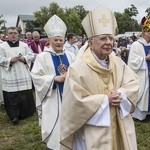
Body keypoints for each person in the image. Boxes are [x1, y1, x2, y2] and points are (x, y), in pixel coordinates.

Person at [60, 5, 139, 150]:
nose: (109, 42)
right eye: (103, 38)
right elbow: (74, 103)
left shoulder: (117, 62)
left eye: (111, 38)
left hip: (119, 123)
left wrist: (121, 94)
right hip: (93, 131)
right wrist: (105, 100)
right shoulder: (77, 68)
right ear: (90, 43)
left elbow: (133, 83)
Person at [31, 15, 75, 150]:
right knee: (56, 127)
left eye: (60, 40)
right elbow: (35, 76)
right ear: (49, 41)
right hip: (52, 98)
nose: (58, 42)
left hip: (70, 96)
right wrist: (54, 79)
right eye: (55, 40)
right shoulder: (42, 57)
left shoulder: (70, 55)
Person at [0, 27, 36, 124]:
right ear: (7, 34)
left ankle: (26, 113)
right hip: (9, 74)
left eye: (15, 33)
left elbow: (31, 55)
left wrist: (24, 58)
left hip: (22, 73)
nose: (13, 35)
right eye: (11, 33)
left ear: (18, 34)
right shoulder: (2, 46)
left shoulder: (24, 45)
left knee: (24, 94)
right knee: (11, 95)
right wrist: (9, 60)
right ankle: (14, 116)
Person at [128, 16, 150, 121]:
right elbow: (132, 61)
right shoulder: (136, 44)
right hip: (142, 74)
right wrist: (146, 58)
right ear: (144, 33)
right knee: (143, 92)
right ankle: (139, 115)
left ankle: (148, 112)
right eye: (149, 32)